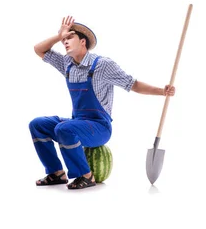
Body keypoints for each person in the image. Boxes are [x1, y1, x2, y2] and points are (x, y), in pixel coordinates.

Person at [30, 16, 175, 189]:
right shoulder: (67, 64)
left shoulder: (103, 65)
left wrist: (162, 91)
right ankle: (56, 173)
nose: (64, 41)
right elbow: (39, 49)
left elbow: (133, 84)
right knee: (38, 124)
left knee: (63, 129)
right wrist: (58, 35)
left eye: (69, 38)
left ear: (82, 41)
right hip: (77, 123)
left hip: (99, 128)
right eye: (64, 39)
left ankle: (86, 176)